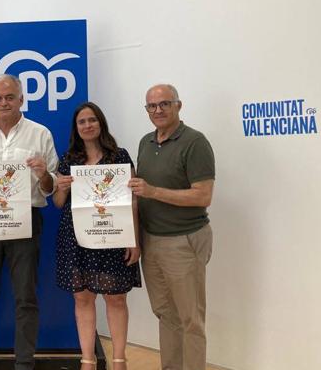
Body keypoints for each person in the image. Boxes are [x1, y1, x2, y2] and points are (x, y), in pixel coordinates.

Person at [0, 74, 59, 370]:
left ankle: (24, 363)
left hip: (26, 222)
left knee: (26, 297)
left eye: (10, 97)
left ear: (21, 99)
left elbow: (51, 187)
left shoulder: (40, 133)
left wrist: (43, 173)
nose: (3, 103)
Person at [128, 84, 215, 370]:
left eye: (165, 104)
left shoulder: (195, 142)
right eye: (152, 106)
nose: (158, 110)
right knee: (166, 314)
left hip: (183, 240)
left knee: (190, 319)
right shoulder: (145, 142)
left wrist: (154, 192)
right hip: (151, 241)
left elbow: (203, 195)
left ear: (179, 105)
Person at [53, 102, 141, 370]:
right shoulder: (68, 160)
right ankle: (87, 360)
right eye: (82, 122)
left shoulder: (120, 156)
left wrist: (134, 239)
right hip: (77, 237)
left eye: (92, 120)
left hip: (114, 236)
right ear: (76, 128)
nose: (88, 125)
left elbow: (133, 201)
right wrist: (62, 187)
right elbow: (58, 203)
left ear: (100, 123)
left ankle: (119, 359)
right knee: (83, 297)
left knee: (116, 298)